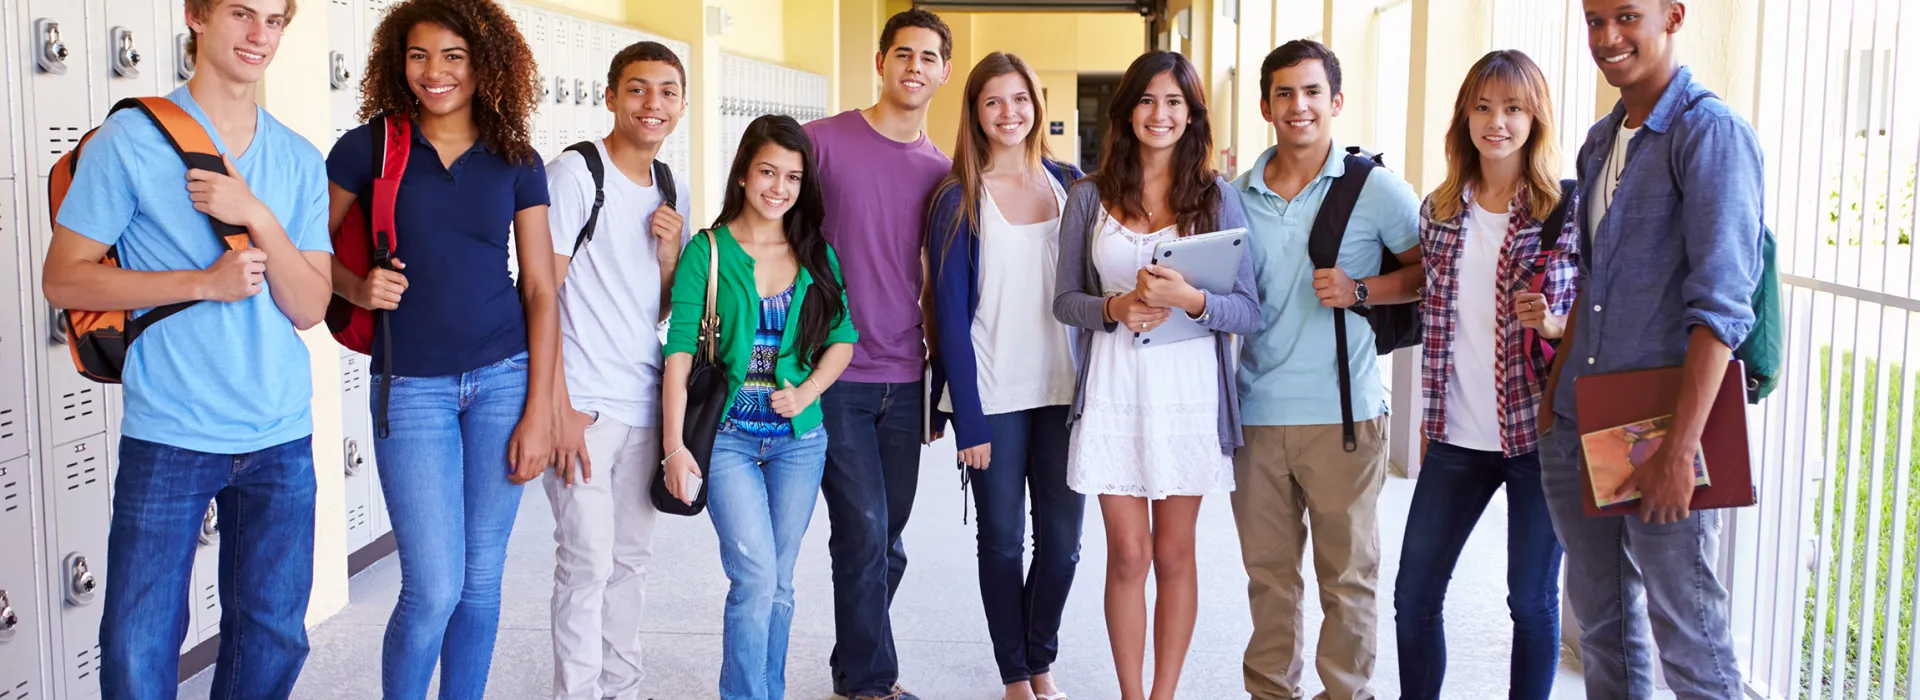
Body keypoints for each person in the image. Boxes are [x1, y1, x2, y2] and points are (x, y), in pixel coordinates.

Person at [43, 0, 332, 695]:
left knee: (272, 637)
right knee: (137, 645)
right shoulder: (131, 142)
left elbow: (310, 305)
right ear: (196, 16)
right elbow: (64, 278)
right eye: (241, 13)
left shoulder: (296, 158)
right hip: (170, 430)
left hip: (280, 433)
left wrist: (255, 214)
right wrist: (203, 283)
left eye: (274, 19)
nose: (260, 35)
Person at [325, 0, 559, 696]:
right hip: (412, 385)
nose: (435, 72)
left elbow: (542, 288)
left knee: (482, 579)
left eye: (453, 56)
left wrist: (540, 411)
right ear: (398, 62)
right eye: (419, 55)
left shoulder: (516, 159)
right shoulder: (368, 148)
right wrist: (356, 286)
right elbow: (300, 251)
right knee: (432, 587)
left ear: (484, 64)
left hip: (503, 379)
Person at [1539, 2, 1763, 697]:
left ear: (1672, 16)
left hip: (1666, 433)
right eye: (1593, 19)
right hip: (1581, 419)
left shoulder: (1710, 133)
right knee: (1604, 626)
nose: (1607, 37)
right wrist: (1553, 404)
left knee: (1689, 637)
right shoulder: (1601, 141)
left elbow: (1722, 310)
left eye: (1627, 16)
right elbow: (1592, 278)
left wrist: (1679, 452)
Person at [1052, 50, 1259, 700]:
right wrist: (1114, 306)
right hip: (1115, 391)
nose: (1160, 114)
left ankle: (1163, 696)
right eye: (1147, 100)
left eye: (1174, 102)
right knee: (1128, 554)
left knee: (1173, 555)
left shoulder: (1217, 196)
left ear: (1192, 114)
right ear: (1127, 110)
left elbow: (1248, 311)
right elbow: (1064, 301)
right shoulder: (1088, 197)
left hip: (1188, 398)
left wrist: (1189, 300)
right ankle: (1131, 694)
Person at [1228, 39, 1424, 700]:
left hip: (1346, 416)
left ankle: (1346, 693)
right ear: (1265, 106)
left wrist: (1362, 289)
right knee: (1269, 579)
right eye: (1284, 93)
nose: (1299, 105)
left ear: (1335, 102)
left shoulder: (1376, 190)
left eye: (1312, 92)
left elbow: (1428, 273)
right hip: (1256, 416)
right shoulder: (1236, 197)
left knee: (1350, 577)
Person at [1392, 49, 1575, 700]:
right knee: (1413, 594)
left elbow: (1594, 314)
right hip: (1456, 439)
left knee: (1529, 601)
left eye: (1513, 109)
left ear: (1535, 119)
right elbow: (1436, 326)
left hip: (1537, 441)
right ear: (1465, 116)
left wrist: (1556, 326)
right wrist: (1428, 422)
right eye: (1484, 107)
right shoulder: (1439, 213)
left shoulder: (1562, 211)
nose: (1497, 122)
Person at [660, 114, 858, 700]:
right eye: (768, 172)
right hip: (727, 441)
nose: (779, 187)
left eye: (793, 177)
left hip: (799, 439)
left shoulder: (815, 253)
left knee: (780, 582)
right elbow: (677, 353)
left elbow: (843, 337)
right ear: (744, 174)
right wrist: (674, 445)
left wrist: (808, 391)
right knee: (754, 575)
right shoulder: (709, 251)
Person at [801, 9, 953, 700]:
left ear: (943, 72)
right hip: (833, 374)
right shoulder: (821, 143)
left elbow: (939, 282)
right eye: (903, 54)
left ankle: (851, 667)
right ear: (880, 61)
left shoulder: (943, 172)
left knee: (887, 543)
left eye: (928, 57)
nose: (914, 67)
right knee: (861, 529)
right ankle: (871, 685)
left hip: (904, 375)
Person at [926, 52, 1086, 700]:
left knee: (1063, 546)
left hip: (1067, 394)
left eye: (1019, 100)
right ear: (975, 112)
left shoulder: (1072, 185)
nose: (1008, 113)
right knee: (999, 543)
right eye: (993, 101)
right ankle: (1016, 675)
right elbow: (948, 316)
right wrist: (967, 417)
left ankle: (1040, 654)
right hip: (992, 395)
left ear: (1037, 105)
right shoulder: (957, 198)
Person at [541, 41, 690, 700]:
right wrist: (557, 409)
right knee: (586, 563)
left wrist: (668, 257)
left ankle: (622, 690)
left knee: (631, 563)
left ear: (680, 104)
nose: (651, 104)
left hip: (642, 402)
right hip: (584, 407)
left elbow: (659, 308)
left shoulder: (670, 185)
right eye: (636, 89)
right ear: (609, 96)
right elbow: (541, 295)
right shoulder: (576, 174)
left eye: (665, 91)